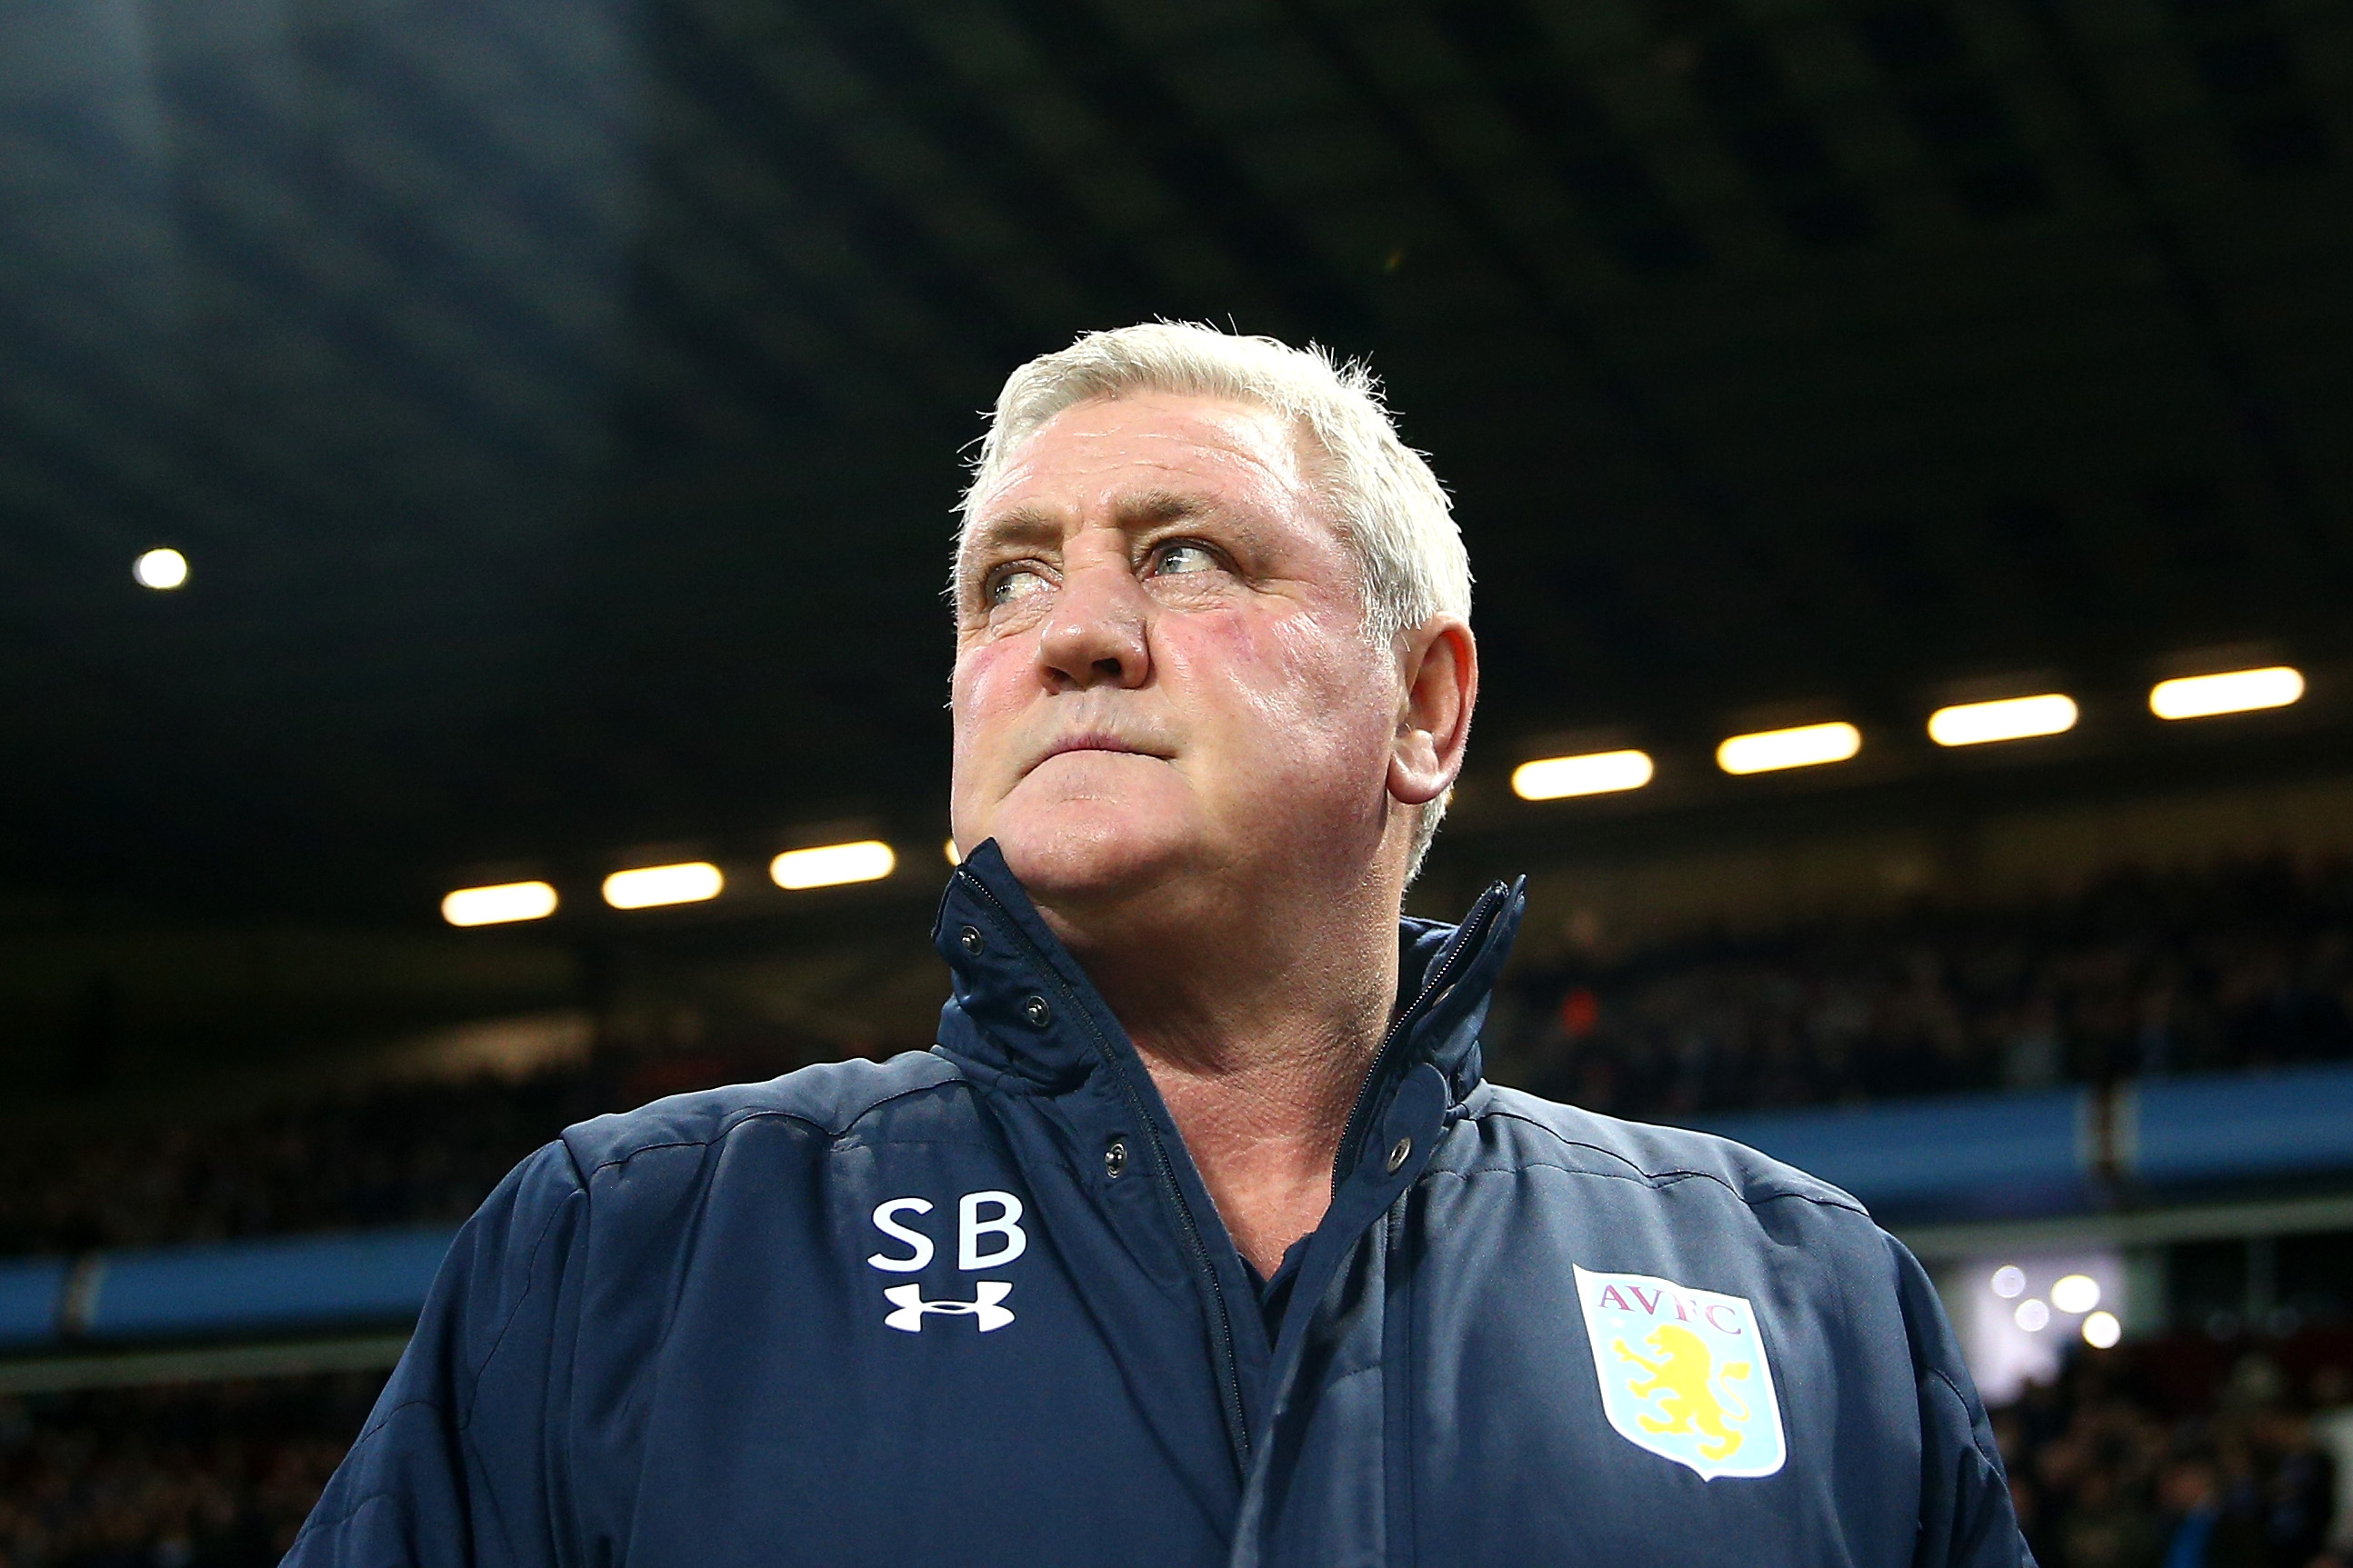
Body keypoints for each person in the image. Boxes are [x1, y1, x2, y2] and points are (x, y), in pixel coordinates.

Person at [285, 324, 2030, 1565]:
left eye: (1184, 557)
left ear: (1423, 707)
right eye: (1009, 582)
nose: (1075, 634)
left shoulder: (1807, 1305)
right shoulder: (626, 1253)